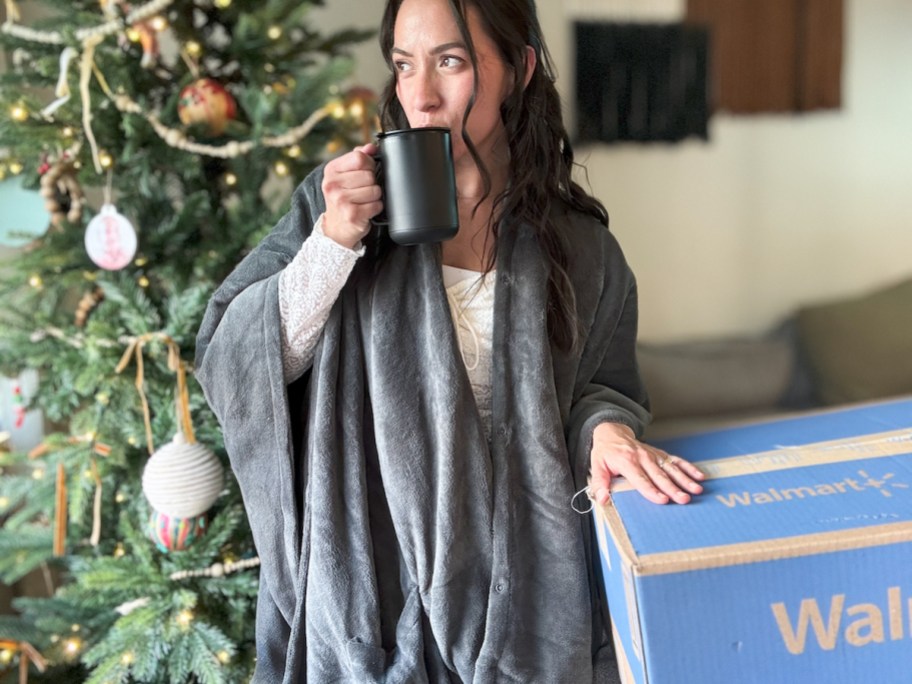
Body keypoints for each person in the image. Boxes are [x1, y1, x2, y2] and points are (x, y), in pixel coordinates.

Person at [195, 0, 705, 681]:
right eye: (405, 66)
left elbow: (597, 388)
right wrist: (333, 246)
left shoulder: (582, 249)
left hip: (524, 599)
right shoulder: (340, 205)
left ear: (519, 70)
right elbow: (237, 367)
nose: (422, 96)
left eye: (451, 61)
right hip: (371, 605)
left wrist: (607, 429)